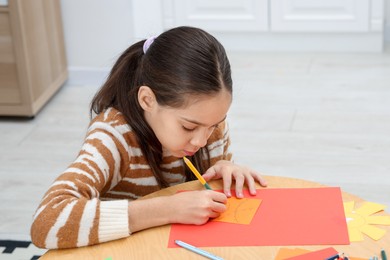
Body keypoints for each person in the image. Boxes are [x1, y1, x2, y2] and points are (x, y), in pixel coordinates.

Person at [30, 26, 267, 249]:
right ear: (147, 100)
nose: (202, 141)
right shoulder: (113, 136)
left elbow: (206, 187)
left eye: (214, 125)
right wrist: (166, 209)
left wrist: (224, 167)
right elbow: (45, 222)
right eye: (188, 127)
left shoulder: (206, 124)